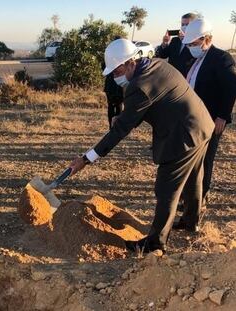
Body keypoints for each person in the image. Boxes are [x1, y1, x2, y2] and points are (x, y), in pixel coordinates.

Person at [69, 39, 214, 253]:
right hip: (201, 124)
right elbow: (151, 104)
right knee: (194, 177)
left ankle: (156, 243)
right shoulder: (156, 64)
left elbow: (120, 130)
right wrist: (128, 117)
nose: (115, 76)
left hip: (183, 135)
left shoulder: (139, 86)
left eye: (117, 70)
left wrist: (85, 159)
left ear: (130, 63)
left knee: (167, 189)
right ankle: (191, 222)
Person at [172, 19, 236, 229]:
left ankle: (196, 212)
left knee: (203, 165)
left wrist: (222, 116)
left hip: (210, 121)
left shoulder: (221, 58)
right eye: (189, 44)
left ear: (207, 39)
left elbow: (230, 89)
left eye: (195, 44)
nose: (191, 48)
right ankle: (188, 205)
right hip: (185, 120)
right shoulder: (187, 55)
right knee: (186, 163)